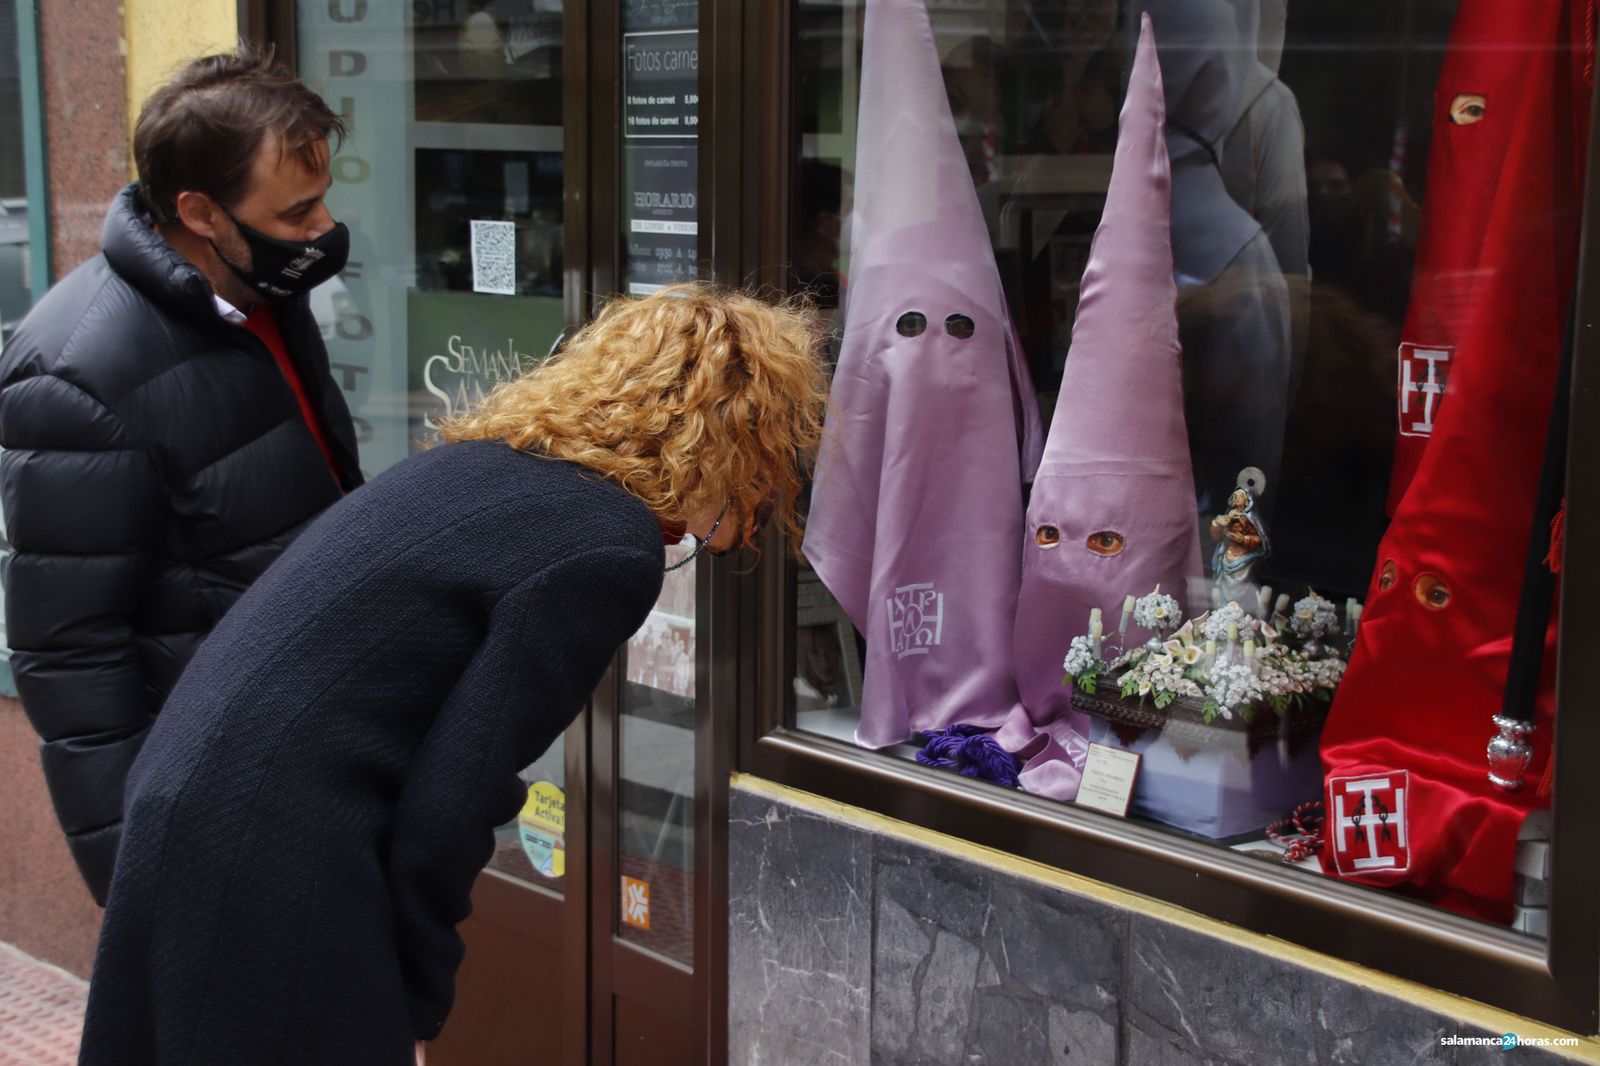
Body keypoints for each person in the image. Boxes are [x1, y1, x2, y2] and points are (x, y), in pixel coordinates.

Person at [76, 284, 830, 1066]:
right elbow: (459, 793)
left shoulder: (480, 467)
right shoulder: (605, 544)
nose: (746, 520)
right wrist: (416, 986)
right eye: (761, 483)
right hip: (280, 848)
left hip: (190, 792)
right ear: (735, 446)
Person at [0, 49, 362, 905]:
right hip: (222, 807)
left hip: (321, 757)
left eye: (322, 198)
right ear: (198, 211)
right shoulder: (76, 374)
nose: (323, 227)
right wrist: (143, 882)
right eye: (297, 210)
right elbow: (71, 654)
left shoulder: (263, 295)